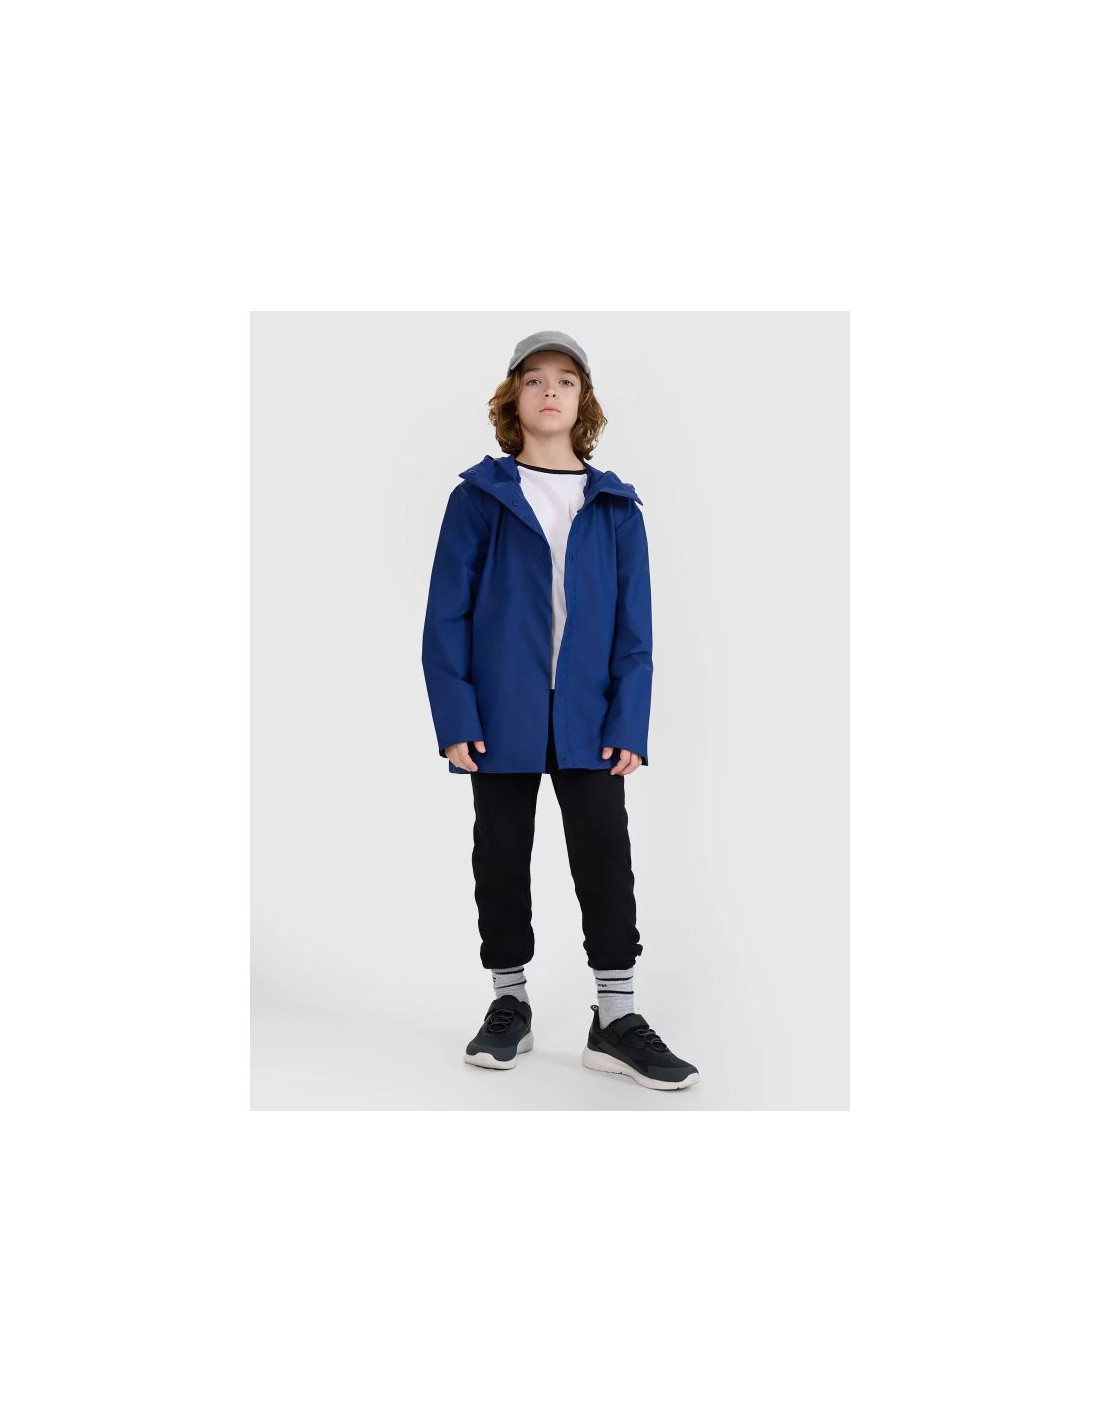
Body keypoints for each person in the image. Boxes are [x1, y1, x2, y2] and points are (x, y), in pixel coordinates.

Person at [422, 330, 699, 1091]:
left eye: (566, 380)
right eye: (535, 379)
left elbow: (636, 632)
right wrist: (456, 717)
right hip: (499, 713)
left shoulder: (615, 506)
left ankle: (615, 1019)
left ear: (584, 401)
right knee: (501, 854)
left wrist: (629, 723)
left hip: (591, 717)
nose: (550, 391)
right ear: (513, 397)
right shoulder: (478, 498)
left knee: (605, 854)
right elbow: (446, 617)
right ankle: (509, 1003)